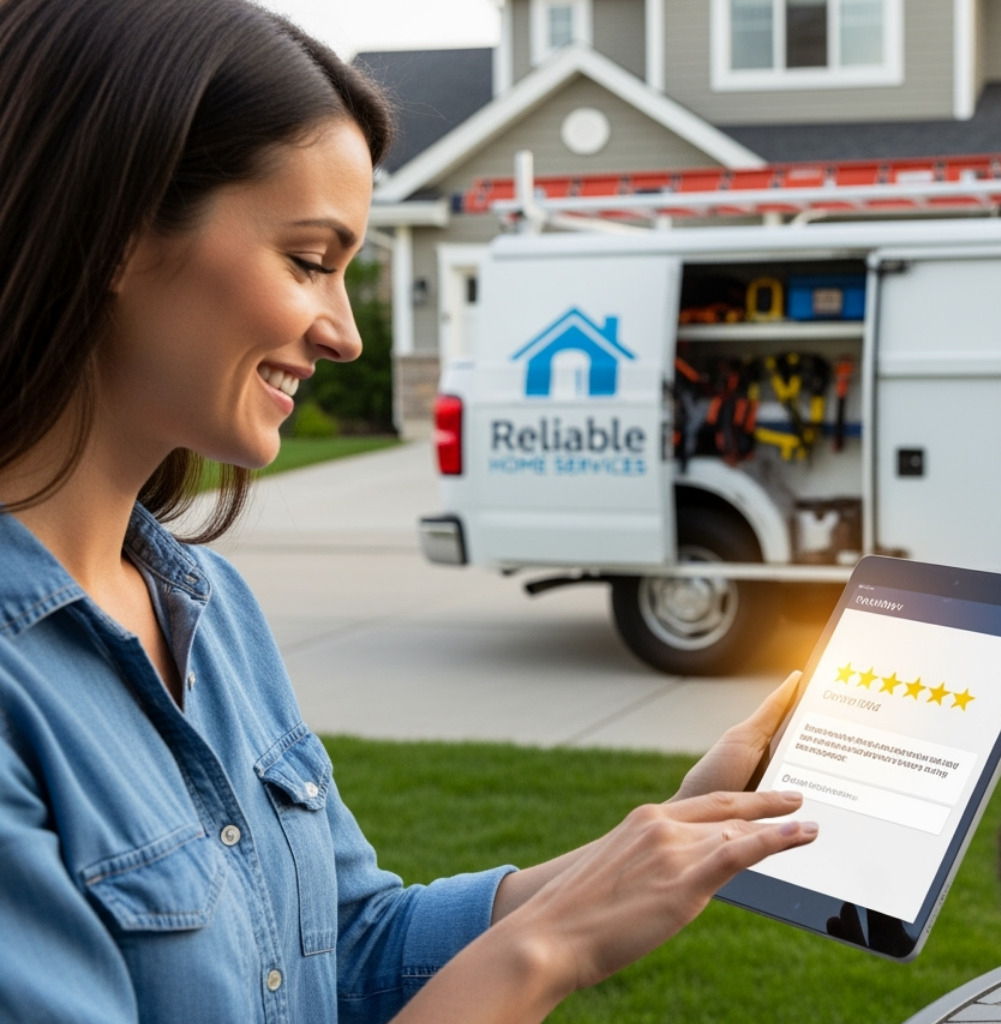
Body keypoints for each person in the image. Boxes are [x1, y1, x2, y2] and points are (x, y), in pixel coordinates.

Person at [0, 1, 817, 1021]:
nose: (343, 330)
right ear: (113, 232)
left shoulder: (210, 609)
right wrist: (544, 951)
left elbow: (347, 947)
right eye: (309, 260)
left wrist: (655, 842)